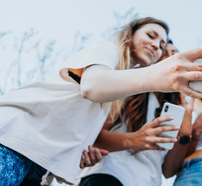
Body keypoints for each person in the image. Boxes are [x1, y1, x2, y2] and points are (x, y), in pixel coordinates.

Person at [0, 17, 202, 186]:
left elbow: (85, 132)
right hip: (15, 138)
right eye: (150, 36)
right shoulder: (107, 52)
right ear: (131, 34)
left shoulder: (115, 96)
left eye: (161, 44)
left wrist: (79, 155)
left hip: (40, 163)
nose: (156, 46)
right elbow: (92, 85)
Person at [75, 41, 193, 186]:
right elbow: (95, 135)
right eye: (164, 54)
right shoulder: (130, 89)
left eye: (174, 54)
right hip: (109, 175)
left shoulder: (178, 109)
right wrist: (135, 140)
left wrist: (185, 136)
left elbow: (168, 171)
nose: (170, 59)